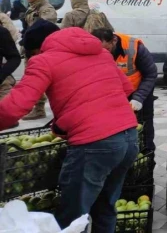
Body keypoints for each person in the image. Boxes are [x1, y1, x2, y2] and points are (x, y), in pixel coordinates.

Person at [0, 21, 138, 231]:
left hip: (94, 145)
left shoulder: (44, 61)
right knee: (105, 208)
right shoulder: (100, 53)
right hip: (128, 137)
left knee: (71, 218)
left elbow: (14, 108)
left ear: (37, 48)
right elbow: (126, 88)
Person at [92, 28, 158, 152]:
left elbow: (151, 74)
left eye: (106, 49)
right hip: (115, 95)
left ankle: (146, 156)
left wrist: (138, 98)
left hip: (139, 92)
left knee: (144, 126)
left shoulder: (134, 47)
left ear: (114, 40)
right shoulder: (94, 51)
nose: (104, 53)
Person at [22, 0, 57, 120]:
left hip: (40, 50)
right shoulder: (33, 8)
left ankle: (39, 109)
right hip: (32, 49)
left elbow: (44, 27)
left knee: (39, 78)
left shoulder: (46, 9)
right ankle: (36, 107)